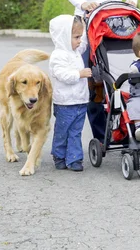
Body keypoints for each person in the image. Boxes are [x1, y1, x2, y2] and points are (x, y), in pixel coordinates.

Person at [65, 0, 138, 143]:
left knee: (120, 75)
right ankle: (102, 134)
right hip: (87, 21)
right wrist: (83, 3)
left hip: (115, 22)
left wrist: (132, 3)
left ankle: (128, 125)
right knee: (93, 81)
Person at [49, 15, 92, 172]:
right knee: (63, 131)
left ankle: (74, 159)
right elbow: (61, 74)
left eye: (80, 36)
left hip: (80, 100)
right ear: (64, 36)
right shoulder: (58, 55)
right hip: (65, 103)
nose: (79, 40)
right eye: (76, 37)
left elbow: (85, 43)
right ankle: (59, 155)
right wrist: (79, 74)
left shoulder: (75, 50)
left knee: (75, 132)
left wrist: (86, 23)